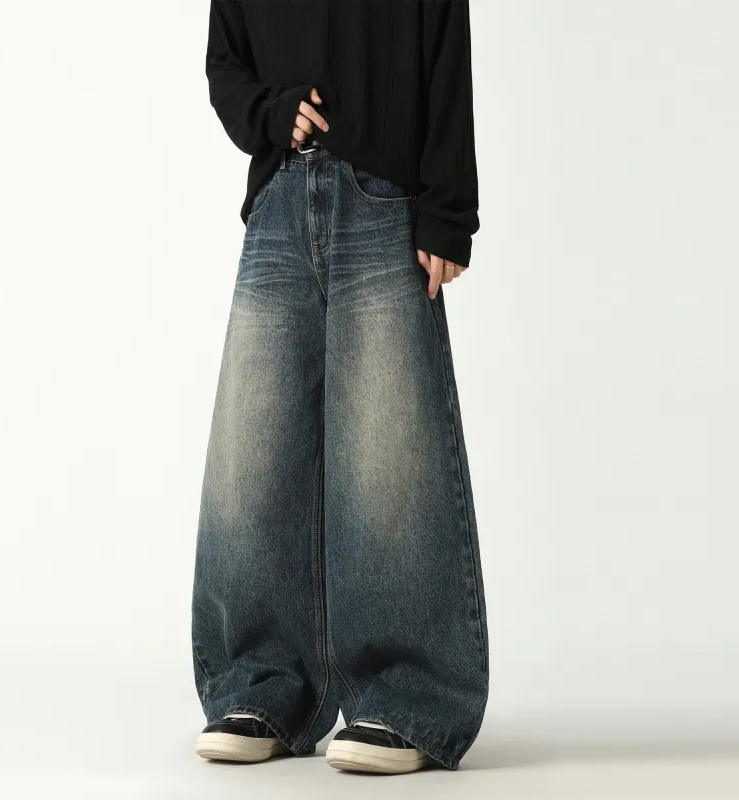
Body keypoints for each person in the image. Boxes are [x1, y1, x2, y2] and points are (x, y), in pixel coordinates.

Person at [192, 0, 487, 774]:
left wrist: (448, 207)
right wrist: (271, 114)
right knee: (253, 456)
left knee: (390, 451)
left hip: (387, 198)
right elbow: (225, 61)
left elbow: (444, 42)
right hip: (279, 198)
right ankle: (264, 684)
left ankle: (408, 699)